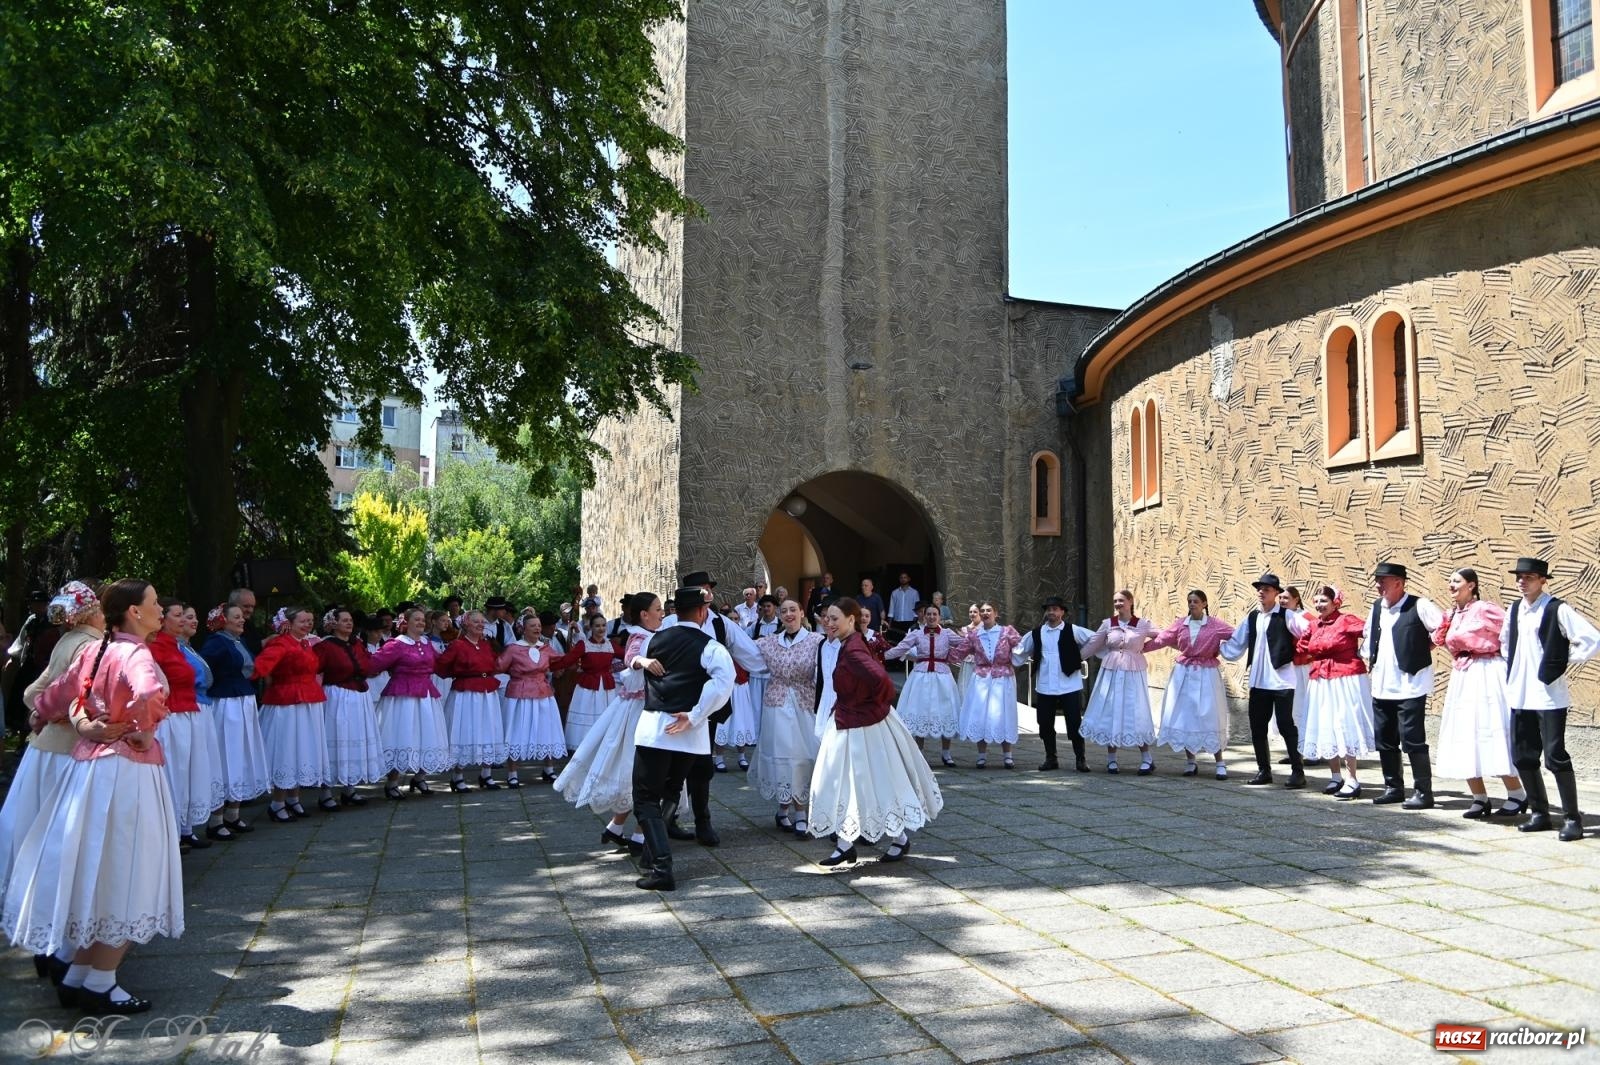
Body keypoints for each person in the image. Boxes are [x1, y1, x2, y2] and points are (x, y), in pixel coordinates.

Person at [7, 579, 182, 1014]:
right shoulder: (134, 652)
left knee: (102, 870)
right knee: (128, 870)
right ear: (134, 613)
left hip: (87, 772)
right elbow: (148, 692)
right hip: (126, 773)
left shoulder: (95, 649)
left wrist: (39, 717)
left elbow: (56, 694)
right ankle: (100, 982)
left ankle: (81, 976)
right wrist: (145, 728)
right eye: (155, 603)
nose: (160, 609)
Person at [4, 580, 104, 984]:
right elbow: (79, 696)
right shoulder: (90, 644)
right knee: (65, 845)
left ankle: (50, 942)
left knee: (40, 838)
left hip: (44, 750)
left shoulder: (68, 640)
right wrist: (61, 712)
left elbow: (33, 692)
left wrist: (41, 711)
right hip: (68, 753)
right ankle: (63, 945)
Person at [809, 598, 945, 867]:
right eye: (827, 618)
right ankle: (851, 843)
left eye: (836, 618)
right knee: (853, 782)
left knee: (868, 781)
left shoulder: (854, 649)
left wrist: (873, 707)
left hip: (862, 725)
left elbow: (882, 680)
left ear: (851, 620)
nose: (829, 623)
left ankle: (888, 840)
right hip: (852, 722)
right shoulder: (850, 645)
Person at [629, 587, 735, 890]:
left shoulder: (654, 639)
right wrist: (697, 714)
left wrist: (641, 662)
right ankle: (652, 856)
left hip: (656, 729)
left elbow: (633, 674)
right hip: (690, 734)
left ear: (677, 611)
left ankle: (662, 867)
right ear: (702, 612)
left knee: (646, 798)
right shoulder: (711, 647)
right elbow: (723, 682)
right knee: (672, 789)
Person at [1502, 557, 1600, 841]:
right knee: (1523, 756)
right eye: (1519, 577)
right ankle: (1539, 813)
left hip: (1548, 696)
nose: (1522, 581)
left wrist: (1560, 660)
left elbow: (1592, 639)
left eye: (1529, 577)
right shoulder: (1515, 609)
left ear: (1542, 580)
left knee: (1555, 757)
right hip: (1520, 694)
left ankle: (1572, 818)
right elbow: (1506, 644)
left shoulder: (1558, 608)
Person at [557, 593, 662, 852]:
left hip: (644, 706)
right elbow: (631, 657)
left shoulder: (653, 633)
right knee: (641, 771)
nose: (662, 613)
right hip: (639, 711)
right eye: (658, 609)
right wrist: (644, 662)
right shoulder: (638, 636)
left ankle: (617, 828)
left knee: (637, 772)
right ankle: (637, 836)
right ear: (643, 615)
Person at [1432, 568, 1525, 819]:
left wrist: (1510, 661)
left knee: (1490, 728)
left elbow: (1511, 630)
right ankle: (1479, 797)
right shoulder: (1451, 614)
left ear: (1471, 585)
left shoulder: (1485, 608)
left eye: (1456, 581)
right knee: (1464, 731)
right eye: (1449, 580)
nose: (1451, 585)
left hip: (1486, 670)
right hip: (1462, 674)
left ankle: (1517, 793)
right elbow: (1438, 640)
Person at [1362, 562, 1445, 809]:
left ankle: (1423, 792)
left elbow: (1442, 629)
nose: (1378, 585)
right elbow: (1369, 637)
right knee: (1385, 739)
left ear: (1399, 582)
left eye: (1383, 581)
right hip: (1381, 685)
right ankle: (1393, 788)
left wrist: (1423, 648)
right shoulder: (1377, 607)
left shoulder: (1420, 605)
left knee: (1412, 739)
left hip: (1411, 685)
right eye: (1377, 580)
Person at [1220, 573, 1310, 788]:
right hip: (1258, 682)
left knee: (1287, 725)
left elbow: (1308, 632)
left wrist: (1300, 654)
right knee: (1258, 727)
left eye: (1267, 589)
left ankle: (1298, 772)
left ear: (1276, 594)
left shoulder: (1287, 616)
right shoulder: (1253, 618)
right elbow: (1236, 644)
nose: (1262, 592)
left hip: (1282, 681)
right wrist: (1216, 645)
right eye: (1260, 589)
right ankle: (1264, 771)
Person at [148, 598, 220, 850]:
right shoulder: (155, 647)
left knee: (189, 772)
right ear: (163, 619)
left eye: (183, 615)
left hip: (188, 713)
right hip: (171, 716)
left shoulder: (178, 647)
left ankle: (185, 827)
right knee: (175, 773)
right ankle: (172, 831)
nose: (182, 620)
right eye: (177, 615)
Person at [751, 599, 825, 835]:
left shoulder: (817, 641)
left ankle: (798, 810)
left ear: (802, 613)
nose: (789, 614)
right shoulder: (769, 642)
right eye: (784, 611)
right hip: (777, 707)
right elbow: (745, 652)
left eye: (793, 609)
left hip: (805, 705)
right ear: (779, 616)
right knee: (783, 755)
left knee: (805, 755)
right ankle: (791, 811)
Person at [1144, 591, 1236, 779]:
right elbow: (1162, 639)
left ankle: (1220, 762)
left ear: (1204, 603)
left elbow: (1236, 635)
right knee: (1185, 714)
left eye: (1196, 601)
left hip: (1207, 673)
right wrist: (1139, 647)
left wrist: (1224, 649)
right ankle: (1190, 761)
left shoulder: (1216, 625)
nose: (1192, 604)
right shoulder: (1181, 624)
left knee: (1210, 714)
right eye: (1189, 601)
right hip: (1184, 672)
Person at [252, 607, 329, 821]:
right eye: (303, 621)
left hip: (307, 701)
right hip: (286, 702)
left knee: (300, 749)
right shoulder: (281, 643)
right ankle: (277, 802)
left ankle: (293, 798)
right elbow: (260, 667)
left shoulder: (304, 643)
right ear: (289, 623)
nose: (308, 624)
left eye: (310, 620)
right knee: (285, 749)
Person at [1297, 585, 1373, 799]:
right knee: (1326, 724)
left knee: (1344, 723)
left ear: (1335, 602)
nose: (1319, 605)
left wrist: (1362, 652)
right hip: (1320, 680)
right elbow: (1303, 647)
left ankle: (1352, 778)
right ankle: (1335, 775)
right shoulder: (1313, 625)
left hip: (1345, 678)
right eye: (1317, 601)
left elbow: (1370, 631)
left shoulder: (1346, 620)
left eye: (1324, 601)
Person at [199, 604, 268, 839]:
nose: (242, 621)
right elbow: (207, 673)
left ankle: (233, 814)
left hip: (242, 701)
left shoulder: (238, 641)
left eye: (241, 617)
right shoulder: (216, 643)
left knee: (241, 754)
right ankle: (216, 819)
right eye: (236, 617)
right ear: (222, 620)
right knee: (224, 755)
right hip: (225, 703)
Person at [369, 607, 452, 799]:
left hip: (426, 694)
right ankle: (392, 783)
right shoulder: (396, 644)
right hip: (402, 696)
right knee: (401, 736)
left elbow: (440, 665)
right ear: (406, 622)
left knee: (427, 735)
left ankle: (420, 777)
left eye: (423, 620)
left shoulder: (427, 643)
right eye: (417, 619)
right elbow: (375, 663)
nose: (421, 623)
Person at [1013, 596, 1097, 772]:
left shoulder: (1073, 630)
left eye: (1056, 609)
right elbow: (1019, 651)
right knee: (1044, 724)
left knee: (1074, 723)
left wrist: (1079, 656)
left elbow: (1095, 640)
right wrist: (1004, 661)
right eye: (1049, 609)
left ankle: (1080, 759)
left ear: (1062, 612)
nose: (1052, 612)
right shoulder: (1036, 633)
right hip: (1045, 685)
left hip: (1070, 684)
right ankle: (1051, 758)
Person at [1079, 590, 1158, 774]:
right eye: (1115, 601)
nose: (1118, 604)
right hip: (1112, 672)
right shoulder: (1108, 624)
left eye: (1121, 600)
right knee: (1111, 710)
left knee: (1136, 711)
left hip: (1133, 673)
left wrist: (1143, 648)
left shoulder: (1143, 624)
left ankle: (1147, 758)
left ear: (1130, 601)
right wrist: (1074, 661)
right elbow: (1093, 644)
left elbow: (1163, 637)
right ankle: (1112, 759)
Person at [497, 613, 579, 786]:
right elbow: (498, 666)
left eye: (538, 625)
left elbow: (562, 661)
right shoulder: (513, 648)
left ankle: (549, 769)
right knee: (516, 731)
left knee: (546, 729)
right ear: (523, 629)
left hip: (543, 694)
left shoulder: (546, 648)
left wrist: (580, 645)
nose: (537, 628)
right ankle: (512, 772)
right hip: (519, 696)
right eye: (532, 625)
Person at [313, 607, 384, 806]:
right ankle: (325, 792)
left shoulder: (356, 644)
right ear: (333, 624)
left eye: (350, 620)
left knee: (354, 738)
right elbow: (313, 668)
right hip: (337, 695)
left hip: (359, 696)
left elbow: (368, 664)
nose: (349, 623)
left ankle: (350, 788)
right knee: (335, 738)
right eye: (344, 620)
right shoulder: (325, 646)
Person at [432, 609, 508, 791]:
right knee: (463, 730)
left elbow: (494, 664)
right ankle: (457, 776)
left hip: (487, 693)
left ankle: (486, 774)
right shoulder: (458, 645)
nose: (481, 625)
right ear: (466, 624)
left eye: (482, 622)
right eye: (476, 622)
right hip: (465, 693)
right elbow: (441, 666)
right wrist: (458, 674)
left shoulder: (486, 644)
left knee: (489, 729)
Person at [947, 602, 1023, 769]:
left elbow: (1022, 648)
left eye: (989, 610)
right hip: (981, 678)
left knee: (1003, 713)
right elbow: (959, 652)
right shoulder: (974, 635)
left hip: (1003, 678)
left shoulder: (1007, 631)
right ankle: (982, 755)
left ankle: (1007, 756)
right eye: (983, 611)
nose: (986, 613)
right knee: (980, 714)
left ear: (996, 613)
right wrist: (935, 651)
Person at [886, 603, 962, 766]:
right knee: (920, 710)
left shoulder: (947, 633)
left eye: (935, 614)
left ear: (940, 617)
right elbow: (900, 649)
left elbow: (964, 644)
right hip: (921, 676)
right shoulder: (917, 634)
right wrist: (880, 656)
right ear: (924, 616)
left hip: (942, 677)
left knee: (945, 710)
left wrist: (972, 643)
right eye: (929, 614)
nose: (932, 617)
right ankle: (919, 753)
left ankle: (946, 753)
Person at [564, 613, 624, 751]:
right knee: (587, 716)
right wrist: (548, 663)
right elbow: (567, 660)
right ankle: (584, 749)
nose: (601, 628)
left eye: (603, 625)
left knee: (606, 716)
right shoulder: (583, 645)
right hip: (587, 688)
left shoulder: (610, 645)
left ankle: (603, 747)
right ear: (591, 627)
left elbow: (628, 656)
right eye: (597, 626)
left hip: (607, 688)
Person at [887, 572, 920, 641]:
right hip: (897, 622)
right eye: (901, 578)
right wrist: (889, 624)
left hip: (910, 622)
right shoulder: (894, 593)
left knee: (910, 643)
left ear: (909, 579)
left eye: (905, 577)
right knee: (897, 641)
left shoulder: (914, 592)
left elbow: (917, 607)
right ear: (899, 579)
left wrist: (916, 621)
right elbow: (891, 608)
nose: (903, 579)